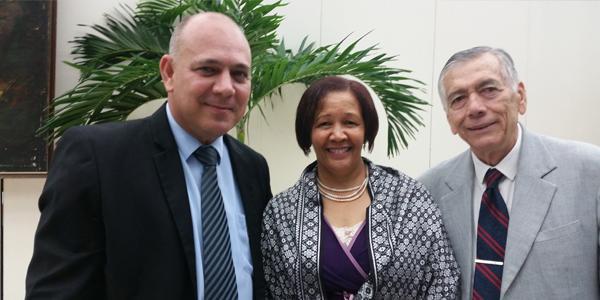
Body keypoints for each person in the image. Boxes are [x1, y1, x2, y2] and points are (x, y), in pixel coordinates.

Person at [26, 12, 272, 299]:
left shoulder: (252, 167)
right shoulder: (98, 157)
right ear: (169, 72)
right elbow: (57, 291)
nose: (226, 87)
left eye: (240, 74)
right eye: (208, 69)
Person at [419, 46, 600, 299]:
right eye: (458, 99)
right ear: (449, 118)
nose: (475, 108)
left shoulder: (590, 171)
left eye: (489, 90)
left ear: (521, 97)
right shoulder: (428, 192)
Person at [261, 76, 460, 299]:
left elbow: (444, 280)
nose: (337, 135)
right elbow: (272, 290)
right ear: (308, 131)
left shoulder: (409, 198)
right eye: (324, 123)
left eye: (350, 123)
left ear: (366, 129)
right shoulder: (281, 213)